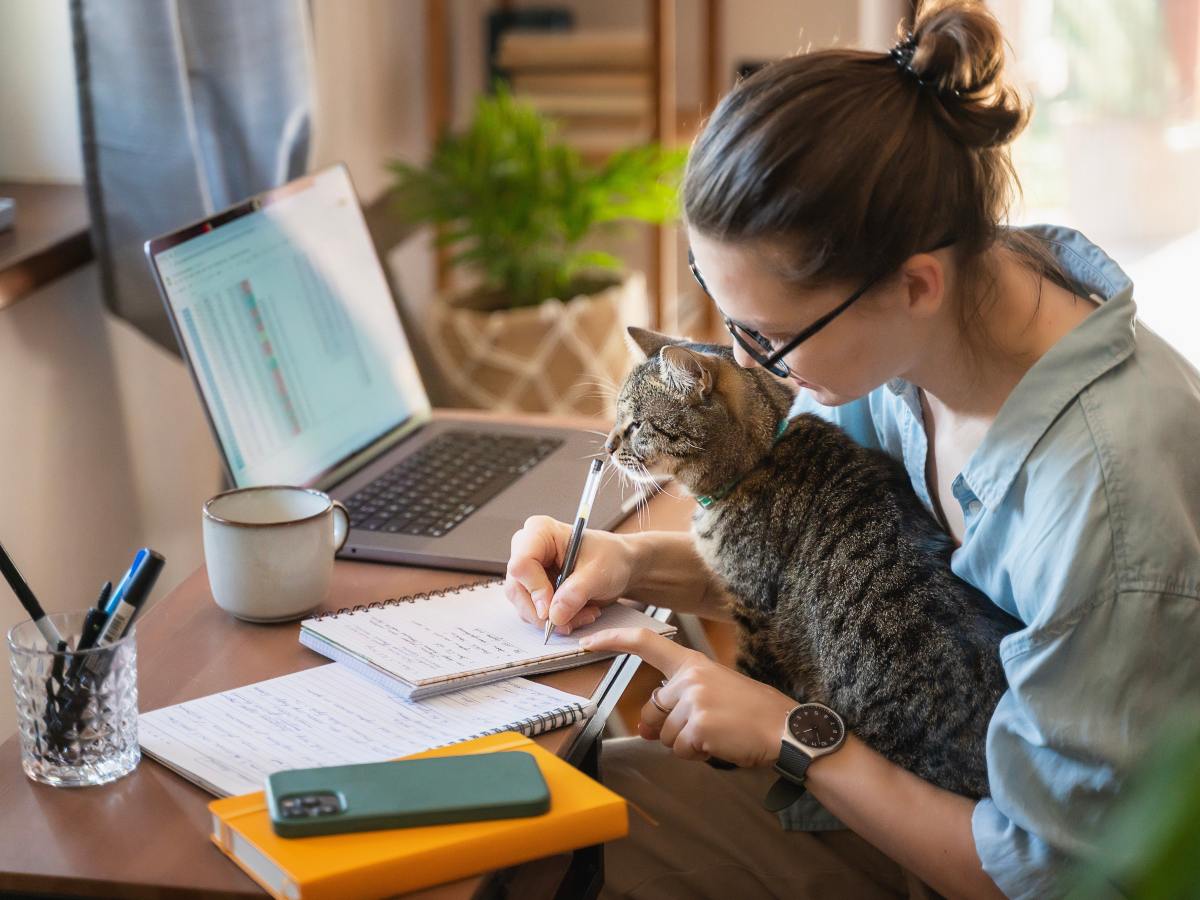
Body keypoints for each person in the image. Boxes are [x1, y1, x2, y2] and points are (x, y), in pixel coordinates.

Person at [504, 1, 1200, 897]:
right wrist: (627, 561)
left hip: (980, 855)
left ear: (913, 285)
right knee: (539, 801)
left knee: (547, 842)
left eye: (770, 338)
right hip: (897, 769)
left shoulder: (1104, 505)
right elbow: (805, 568)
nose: (751, 368)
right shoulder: (942, 319)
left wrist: (790, 734)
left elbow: (1033, 876)